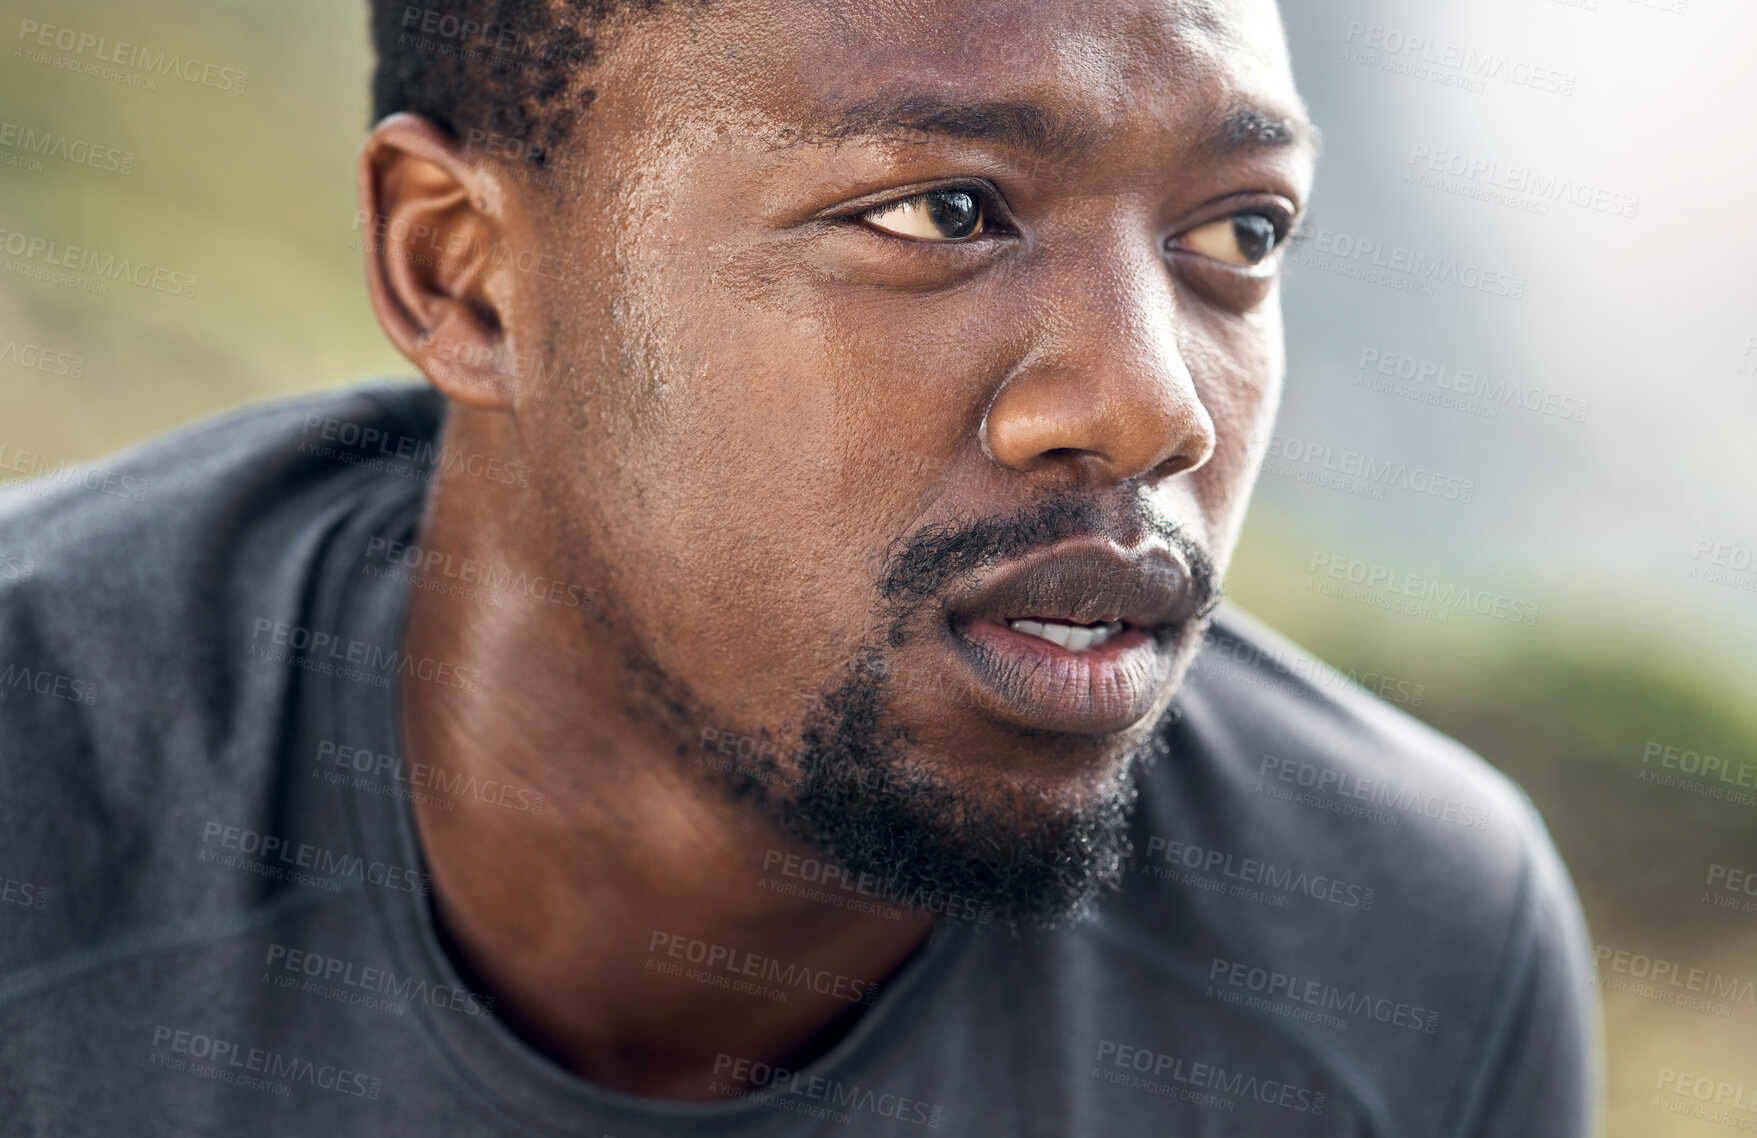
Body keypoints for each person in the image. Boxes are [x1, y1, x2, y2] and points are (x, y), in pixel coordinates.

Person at [0, 0, 1597, 1133]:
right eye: (940, 211)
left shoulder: (1404, 957)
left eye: (1238, 234)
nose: (1148, 406)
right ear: (465, 276)